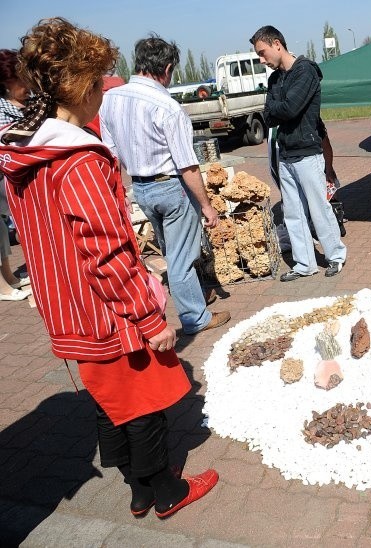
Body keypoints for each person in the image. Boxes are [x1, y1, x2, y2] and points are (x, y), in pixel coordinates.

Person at [0, 17, 218, 519]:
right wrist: (148, 316)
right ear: (77, 85)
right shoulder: (75, 158)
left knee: (107, 401)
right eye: (98, 80)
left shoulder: (23, 150)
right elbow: (108, 251)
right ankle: (165, 490)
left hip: (66, 305)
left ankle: (138, 492)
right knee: (142, 400)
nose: (103, 91)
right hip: (107, 308)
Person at [100, 34, 229, 333]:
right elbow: (187, 165)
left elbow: (110, 154)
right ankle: (195, 318)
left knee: (172, 251)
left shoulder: (110, 100)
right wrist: (207, 207)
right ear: (168, 68)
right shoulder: (167, 107)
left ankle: (193, 299)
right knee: (182, 257)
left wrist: (119, 193)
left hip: (142, 188)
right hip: (171, 188)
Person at [251, 25, 346, 282]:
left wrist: (276, 109)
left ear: (277, 44)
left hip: (307, 153)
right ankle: (305, 264)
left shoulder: (306, 71)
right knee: (292, 213)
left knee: (318, 209)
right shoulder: (274, 79)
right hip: (286, 155)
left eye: (263, 52)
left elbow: (290, 109)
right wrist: (276, 110)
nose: (262, 60)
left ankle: (335, 256)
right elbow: (269, 116)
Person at [0, 49, 32, 301]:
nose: (27, 84)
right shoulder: (2, 111)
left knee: (4, 231)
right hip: (6, 177)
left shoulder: (26, 104)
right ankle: (3, 284)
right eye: (21, 78)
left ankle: (9, 276)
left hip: (16, 180)